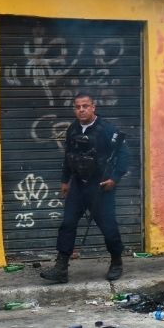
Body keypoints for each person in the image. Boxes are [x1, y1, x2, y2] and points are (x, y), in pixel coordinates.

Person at [40, 92, 129, 284]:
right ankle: (61, 268)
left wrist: (114, 179)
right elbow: (68, 156)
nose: (81, 110)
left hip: (100, 187)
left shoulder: (107, 129)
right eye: (78, 107)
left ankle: (116, 262)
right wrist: (65, 181)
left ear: (93, 107)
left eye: (85, 106)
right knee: (68, 224)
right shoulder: (73, 129)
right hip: (78, 185)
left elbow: (124, 155)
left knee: (108, 227)